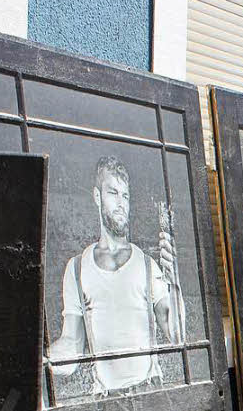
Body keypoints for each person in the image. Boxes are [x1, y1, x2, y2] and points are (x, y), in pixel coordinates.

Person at [48, 156, 185, 395]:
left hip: (149, 392)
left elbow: (177, 336)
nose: (121, 203)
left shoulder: (146, 265)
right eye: (113, 193)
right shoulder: (77, 268)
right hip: (106, 402)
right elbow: (71, 346)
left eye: (126, 195)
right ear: (97, 196)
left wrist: (174, 282)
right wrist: (43, 358)